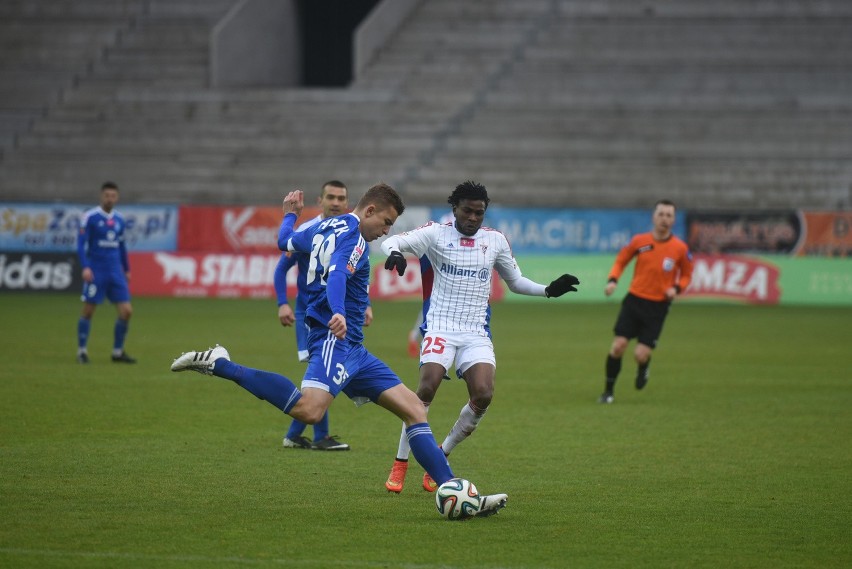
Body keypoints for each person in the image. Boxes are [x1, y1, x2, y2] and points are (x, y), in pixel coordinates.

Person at [171, 184, 508, 516]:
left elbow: (284, 241)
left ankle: (453, 490)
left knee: (414, 411)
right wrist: (337, 311)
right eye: (386, 223)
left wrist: (289, 215)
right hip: (334, 339)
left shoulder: (319, 226)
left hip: (354, 349)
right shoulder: (355, 238)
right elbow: (336, 275)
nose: (386, 231)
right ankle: (222, 364)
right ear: (370, 211)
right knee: (309, 411)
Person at [381, 180, 580, 493]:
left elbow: (515, 282)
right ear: (455, 209)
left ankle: (441, 454)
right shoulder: (436, 233)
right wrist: (394, 252)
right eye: (467, 211)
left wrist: (548, 290)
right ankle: (400, 462)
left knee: (484, 394)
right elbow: (391, 241)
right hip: (440, 327)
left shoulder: (495, 241)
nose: (473, 218)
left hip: (476, 332)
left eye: (479, 213)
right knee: (426, 388)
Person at [274, 180, 362, 451]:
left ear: (347, 203)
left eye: (341, 198)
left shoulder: (349, 232)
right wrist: (282, 303)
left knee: (322, 373)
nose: (336, 202)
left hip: (334, 314)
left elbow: (353, 275)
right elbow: (281, 268)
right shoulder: (307, 230)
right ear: (320, 201)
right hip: (309, 312)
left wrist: (364, 305)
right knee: (322, 373)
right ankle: (317, 436)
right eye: (330, 197)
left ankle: (298, 434)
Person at [598, 199, 694, 404]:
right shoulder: (639, 241)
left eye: (669, 215)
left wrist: (676, 288)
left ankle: (643, 367)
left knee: (640, 354)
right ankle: (608, 392)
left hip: (657, 306)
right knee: (618, 346)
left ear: (674, 219)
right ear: (654, 216)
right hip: (634, 301)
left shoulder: (680, 248)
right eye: (661, 214)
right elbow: (621, 260)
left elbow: (687, 275)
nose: (664, 219)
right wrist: (613, 281)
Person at [76, 181, 136, 364]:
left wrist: (126, 269)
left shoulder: (119, 219)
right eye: (107, 195)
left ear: (117, 197)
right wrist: (85, 266)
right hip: (97, 271)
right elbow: (81, 244)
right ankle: (82, 351)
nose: (110, 199)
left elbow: (122, 246)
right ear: (101, 196)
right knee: (88, 310)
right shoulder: (90, 217)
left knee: (126, 311)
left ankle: (117, 352)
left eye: (113, 196)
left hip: (115, 271)